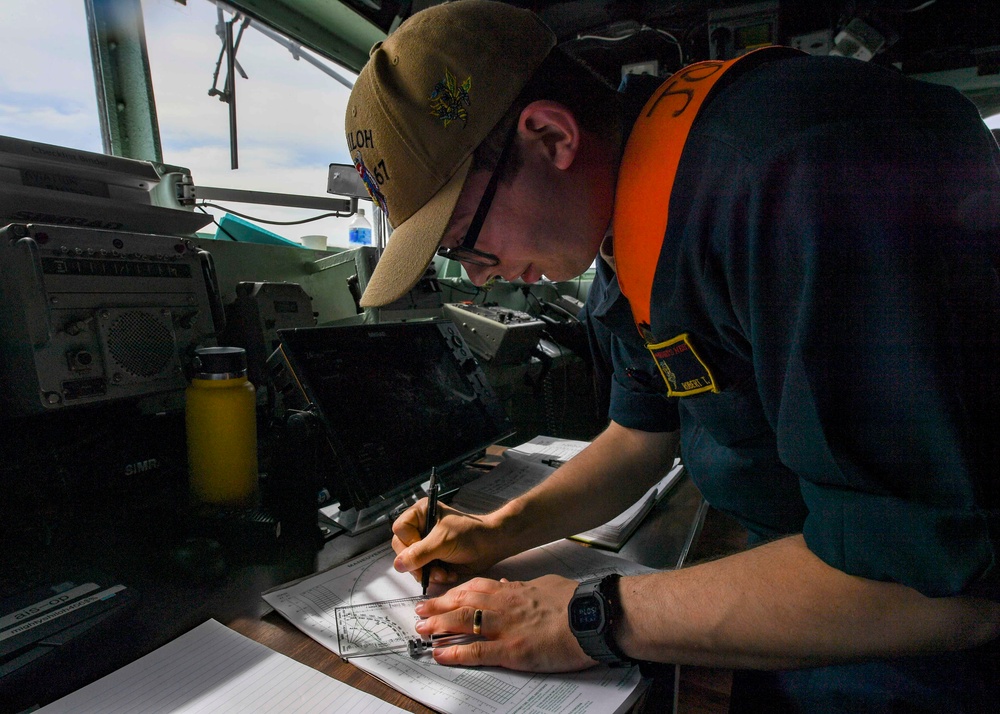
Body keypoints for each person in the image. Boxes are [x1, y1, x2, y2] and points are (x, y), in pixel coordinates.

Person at [344, 0, 1000, 709]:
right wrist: (499, 531)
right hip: (801, 572)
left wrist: (577, 616)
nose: (474, 274)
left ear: (549, 135)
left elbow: (934, 587)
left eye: (462, 239)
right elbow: (639, 435)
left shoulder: (799, 177)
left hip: (920, 647)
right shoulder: (628, 230)